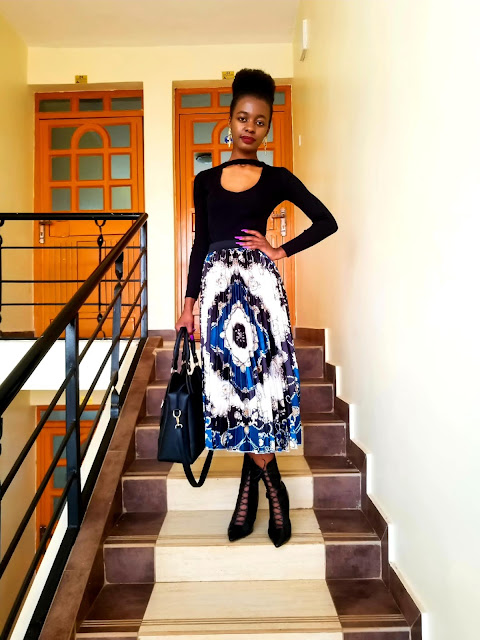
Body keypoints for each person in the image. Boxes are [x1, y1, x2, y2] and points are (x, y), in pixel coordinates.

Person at [175, 68, 338, 548]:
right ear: (229, 120)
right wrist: (188, 304)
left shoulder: (277, 178)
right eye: (243, 118)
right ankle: (269, 483)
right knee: (234, 391)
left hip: (261, 295)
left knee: (261, 389)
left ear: (268, 127)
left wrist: (280, 250)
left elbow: (326, 221)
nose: (250, 127)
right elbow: (200, 244)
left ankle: (256, 490)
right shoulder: (205, 180)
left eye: (260, 121)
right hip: (217, 297)